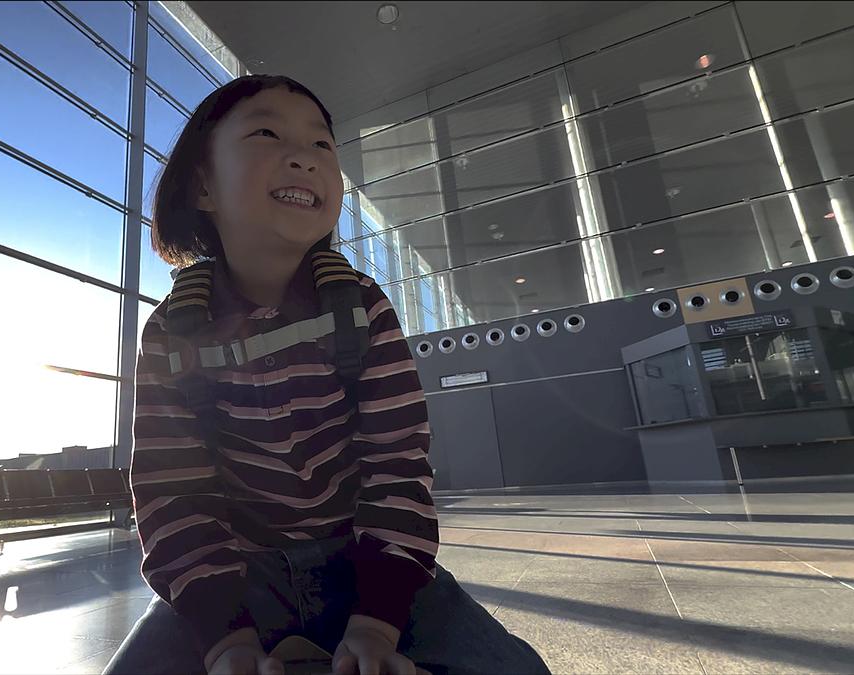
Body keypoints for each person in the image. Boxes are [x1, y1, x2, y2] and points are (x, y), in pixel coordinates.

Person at [106, 74, 548, 675]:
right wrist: (225, 638)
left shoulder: (359, 307)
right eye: (266, 132)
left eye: (323, 146)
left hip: (365, 559)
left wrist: (376, 619)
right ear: (202, 185)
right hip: (236, 572)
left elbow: (397, 466)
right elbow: (175, 494)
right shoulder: (173, 333)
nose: (304, 158)